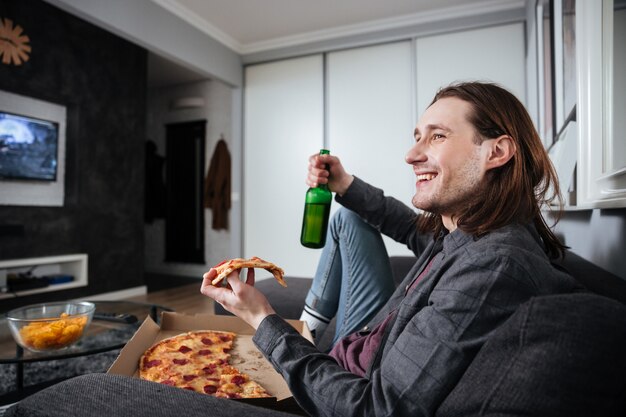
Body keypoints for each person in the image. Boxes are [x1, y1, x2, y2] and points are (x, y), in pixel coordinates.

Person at [200, 81, 582, 416]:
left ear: (496, 153)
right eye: (418, 136)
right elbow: (406, 224)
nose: (411, 155)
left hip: (347, 381)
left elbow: (374, 408)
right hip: (362, 344)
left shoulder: (494, 265)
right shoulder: (470, 231)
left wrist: (263, 320)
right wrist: (344, 183)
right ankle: (310, 333)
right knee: (346, 216)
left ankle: (307, 337)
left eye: (437, 136)